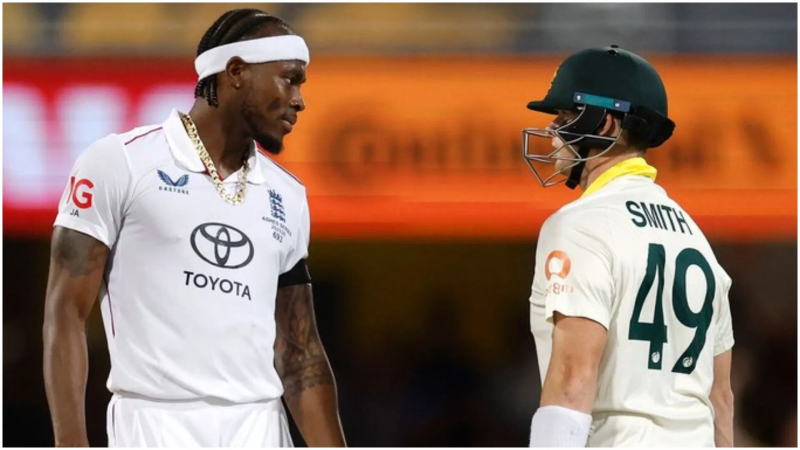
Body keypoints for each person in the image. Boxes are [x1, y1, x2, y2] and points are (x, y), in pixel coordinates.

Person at [43, 8, 346, 447]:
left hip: (260, 427)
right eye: (289, 79)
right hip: (154, 424)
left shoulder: (288, 195)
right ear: (236, 72)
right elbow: (65, 312)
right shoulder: (120, 162)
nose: (299, 100)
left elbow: (300, 353)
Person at [523, 46, 735, 447]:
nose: (552, 131)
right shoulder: (697, 238)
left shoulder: (579, 225)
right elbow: (720, 400)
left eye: (565, 116)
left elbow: (571, 380)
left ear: (603, 123)